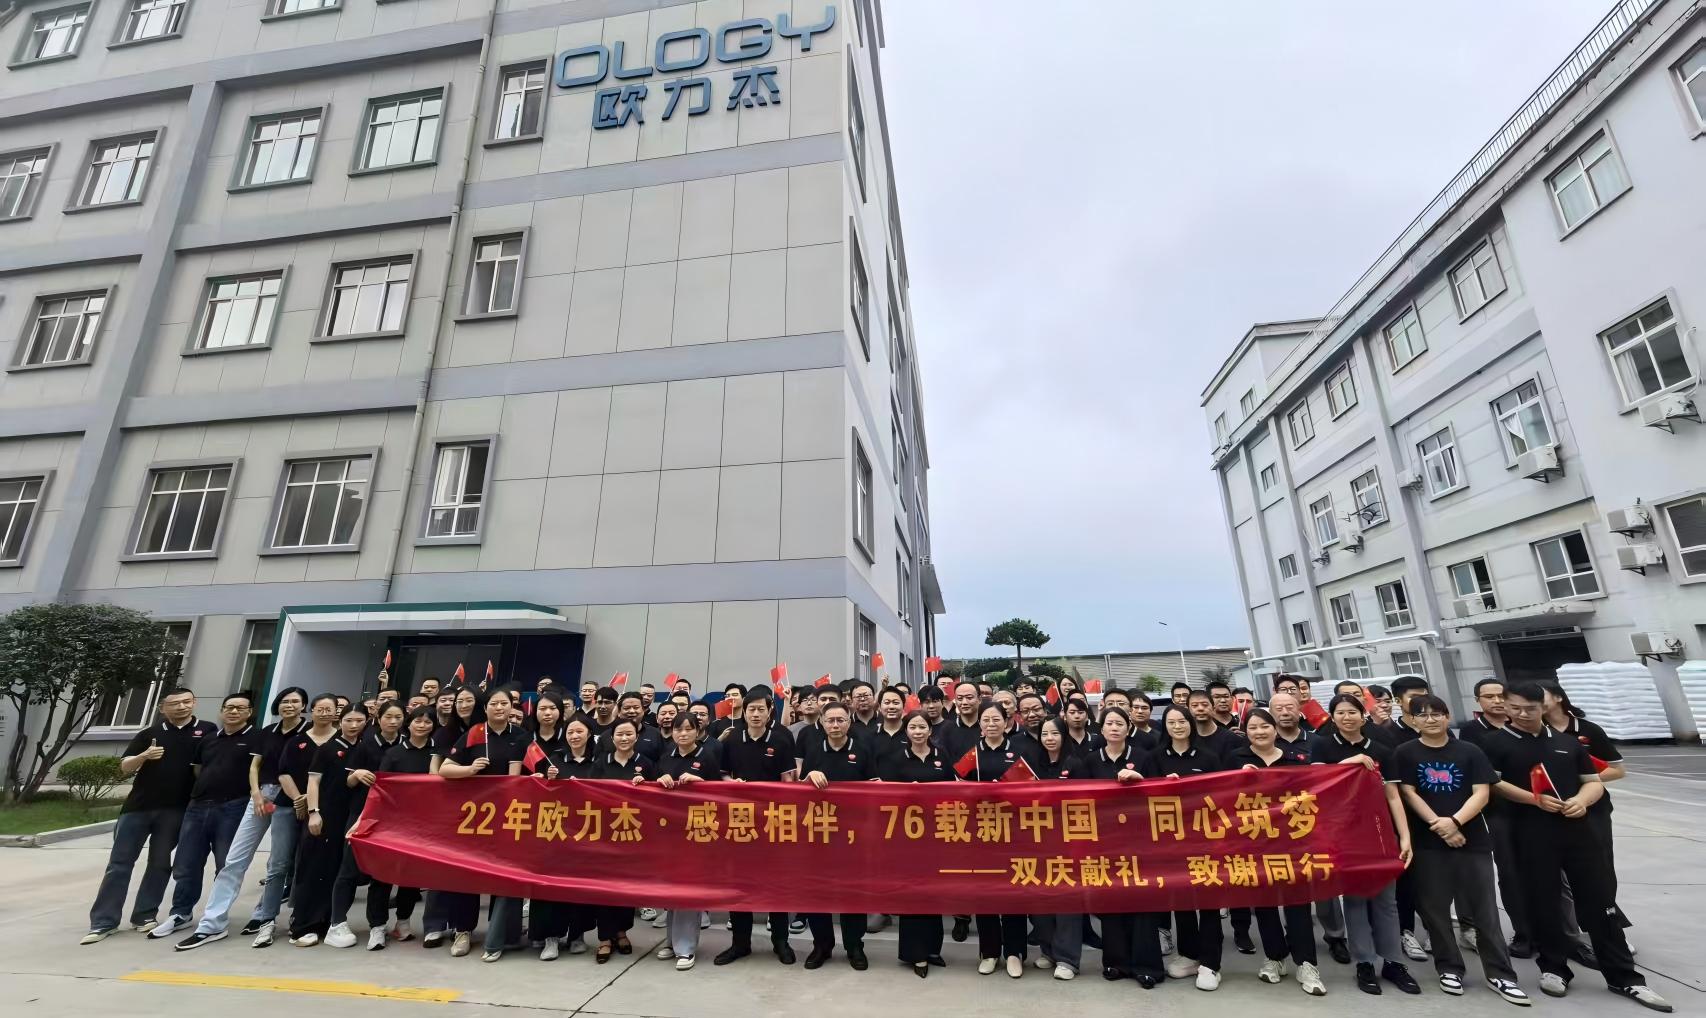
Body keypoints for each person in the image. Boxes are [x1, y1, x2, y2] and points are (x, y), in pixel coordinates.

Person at [1483, 684, 1666, 1012]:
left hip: (1579, 833)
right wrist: (1534, 800)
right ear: (1506, 707)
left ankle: (1624, 976)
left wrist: (1581, 801)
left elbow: (1593, 783)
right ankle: (1554, 968)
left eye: (1530, 708)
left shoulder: (1567, 743)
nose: (1522, 714)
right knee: (1544, 902)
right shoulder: (1495, 744)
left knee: (1600, 902)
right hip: (1529, 834)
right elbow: (1493, 784)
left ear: (1543, 706)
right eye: (1515, 708)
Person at [1390, 694, 1528, 1005]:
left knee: (1485, 910)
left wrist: (1454, 822)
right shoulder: (1405, 752)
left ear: (1447, 716)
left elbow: (1482, 792)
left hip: (1472, 840)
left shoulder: (1469, 751)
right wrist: (1438, 825)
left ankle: (1500, 974)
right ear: (1413, 720)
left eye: (1436, 713)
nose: (1430, 719)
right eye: (1422, 715)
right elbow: (1408, 793)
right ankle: (1449, 967)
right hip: (1428, 843)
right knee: (1435, 909)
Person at [175, 686, 310, 950]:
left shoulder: (308, 732)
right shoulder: (267, 732)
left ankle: (262, 915)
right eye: (285, 701)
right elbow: (255, 766)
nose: (289, 705)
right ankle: (211, 924)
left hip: (289, 800)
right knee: (234, 860)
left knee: (278, 864)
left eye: (295, 701)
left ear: (303, 706)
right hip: (262, 797)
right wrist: (256, 794)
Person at [83, 688, 214, 944]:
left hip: (176, 810)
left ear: (194, 703)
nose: (181, 707)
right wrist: (144, 756)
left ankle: (144, 915)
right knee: (119, 864)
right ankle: (104, 922)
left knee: (160, 863)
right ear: (162, 708)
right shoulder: (150, 734)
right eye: (174, 703)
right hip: (138, 808)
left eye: (186, 702)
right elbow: (124, 767)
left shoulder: (207, 730)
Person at [1311, 694, 1421, 996]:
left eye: (1352, 712)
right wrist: (1351, 762)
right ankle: (1365, 963)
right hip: (1344, 835)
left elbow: (1393, 796)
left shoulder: (1383, 749)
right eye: (1340, 712)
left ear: (1363, 716)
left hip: (1380, 833)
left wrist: (1405, 837)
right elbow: (1317, 784)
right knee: (1356, 900)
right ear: (1332, 717)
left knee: (1387, 901)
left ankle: (1393, 962)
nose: (1347, 717)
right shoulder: (1322, 746)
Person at [1231, 708, 1325, 996]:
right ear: (1245, 732)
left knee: (1298, 903)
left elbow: (1315, 792)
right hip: (1253, 842)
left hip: (1292, 843)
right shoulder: (1235, 760)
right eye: (1253, 728)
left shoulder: (1295, 760)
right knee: (1264, 904)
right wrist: (1238, 780)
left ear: (1275, 729)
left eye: (1264, 726)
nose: (1259, 732)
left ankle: (1306, 963)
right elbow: (1221, 798)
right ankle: (1274, 957)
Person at [149, 691, 256, 941]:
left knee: (226, 865)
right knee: (186, 863)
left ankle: (215, 918)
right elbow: (198, 769)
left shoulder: (256, 738)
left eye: (240, 708)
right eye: (229, 707)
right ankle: (181, 913)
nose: (234, 711)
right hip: (198, 807)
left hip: (233, 807)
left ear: (249, 713)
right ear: (221, 711)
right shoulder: (209, 739)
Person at [436, 687, 527, 959]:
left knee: (506, 875)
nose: (499, 708)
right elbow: (444, 769)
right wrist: (470, 769)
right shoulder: (474, 733)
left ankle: (505, 934)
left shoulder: (521, 736)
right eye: (494, 704)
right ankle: (462, 931)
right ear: (485, 708)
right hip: (474, 817)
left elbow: (526, 773)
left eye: (504, 703)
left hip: (509, 815)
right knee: (468, 874)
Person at [714, 687, 798, 966]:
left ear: (770, 711)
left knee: (776, 883)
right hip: (741, 820)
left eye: (762, 709)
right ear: (744, 712)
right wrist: (732, 784)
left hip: (773, 820)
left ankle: (780, 941)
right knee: (740, 883)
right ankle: (740, 943)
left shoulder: (781, 740)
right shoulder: (732, 739)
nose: (756, 714)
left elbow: (789, 781)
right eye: (752, 709)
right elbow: (721, 774)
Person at [1147, 704, 1227, 990]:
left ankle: (1211, 963)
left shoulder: (1208, 757)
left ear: (1191, 724)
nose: (1177, 726)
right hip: (1170, 841)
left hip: (1204, 839)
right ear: (1165, 727)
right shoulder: (1155, 758)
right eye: (1171, 722)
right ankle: (1190, 954)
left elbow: (1222, 795)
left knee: (1208, 902)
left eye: (1182, 721)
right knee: (1181, 901)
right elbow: (1144, 796)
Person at [1085, 706, 1162, 987]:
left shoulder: (1144, 757)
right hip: (1105, 841)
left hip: (1139, 840)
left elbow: (1160, 794)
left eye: (1120, 723)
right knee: (1112, 900)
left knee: (1142, 902)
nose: (1114, 728)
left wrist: (1141, 782)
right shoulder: (1091, 760)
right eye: (1109, 723)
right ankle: (1115, 962)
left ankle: (1147, 966)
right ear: (1102, 729)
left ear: (1129, 728)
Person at [798, 701, 877, 970]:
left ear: (848, 722)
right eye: (830, 720)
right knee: (817, 890)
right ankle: (822, 945)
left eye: (840, 720)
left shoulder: (862, 750)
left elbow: (875, 788)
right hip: (819, 832)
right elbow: (799, 791)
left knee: (852, 892)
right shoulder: (813, 751)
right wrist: (809, 775)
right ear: (821, 722)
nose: (835, 725)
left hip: (853, 835)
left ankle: (855, 946)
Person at [961, 700, 1037, 978]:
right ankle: (989, 952)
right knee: (985, 892)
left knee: (1013, 891)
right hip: (982, 832)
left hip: (1013, 831)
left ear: (1007, 723)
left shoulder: (1019, 751)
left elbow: (1033, 789)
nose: (991, 724)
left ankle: (1015, 952)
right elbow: (955, 787)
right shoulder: (972, 754)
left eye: (996, 719)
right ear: (979, 725)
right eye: (986, 720)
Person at [879, 711, 953, 978]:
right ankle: (916, 953)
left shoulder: (941, 755)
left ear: (930, 730)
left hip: (937, 832)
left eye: (922, 727)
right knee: (913, 892)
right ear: (906, 731)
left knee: (934, 891)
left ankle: (933, 949)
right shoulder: (895, 758)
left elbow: (952, 788)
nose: (918, 731)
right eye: (913, 727)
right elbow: (885, 794)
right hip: (907, 835)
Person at [324, 700, 404, 949]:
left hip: (393, 818)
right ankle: (337, 923)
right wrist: (356, 775)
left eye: (398, 717)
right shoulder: (364, 744)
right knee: (348, 869)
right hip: (361, 813)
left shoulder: (405, 745)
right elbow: (347, 783)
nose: (393, 721)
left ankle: (377, 926)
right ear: (378, 719)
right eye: (388, 716)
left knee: (382, 874)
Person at [288, 704, 368, 947]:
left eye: (359, 720)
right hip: (325, 815)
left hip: (349, 817)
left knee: (336, 870)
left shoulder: (365, 749)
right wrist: (314, 812)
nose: (354, 725)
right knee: (313, 869)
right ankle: (302, 926)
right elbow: (313, 782)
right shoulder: (328, 748)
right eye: (349, 720)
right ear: (339, 721)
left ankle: (326, 922)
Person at [651, 713, 721, 970]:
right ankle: (671, 942)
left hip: (697, 831)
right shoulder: (666, 757)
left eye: (688, 729)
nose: (683, 734)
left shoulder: (707, 756)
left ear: (697, 731)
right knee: (671, 890)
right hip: (670, 832)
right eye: (678, 729)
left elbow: (720, 794)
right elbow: (654, 790)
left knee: (688, 891)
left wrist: (701, 783)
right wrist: (659, 781)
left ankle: (686, 948)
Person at [363, 704, 434, 950]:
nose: (422, 725)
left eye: (427, 721)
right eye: (417, 721)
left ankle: (403, 921)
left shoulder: (437, 754)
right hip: (391, 822)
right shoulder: (394, 753)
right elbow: (382, 787)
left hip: (423, 824)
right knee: (381, 876)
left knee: (411, 876)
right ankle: (377, 927)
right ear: (409, 723)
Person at [1027, 717, 1087, 981]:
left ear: (1064, 736)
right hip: (1038, 840)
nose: (1049, 738)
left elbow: (1085, 800)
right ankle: (1048, 950)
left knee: (1066, 901)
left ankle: (1068, 959)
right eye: (1044, 734)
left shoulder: (1075, 764)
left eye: (1054, 733)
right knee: (1040, 899)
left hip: (1068, 840)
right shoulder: (1032, 764)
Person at [591, 719, 652, 962]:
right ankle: (605, 938)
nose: (624, 738)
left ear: (636, 737)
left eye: (629, 734)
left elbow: (657, 798)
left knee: (626, 886)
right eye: (619, 734)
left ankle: (622, 932)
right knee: (605, 887)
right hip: (605, 834)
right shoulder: (601, 763)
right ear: (611, 737)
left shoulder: (646, 763)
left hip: (633, 834)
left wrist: (645, 786)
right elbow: (589, 794)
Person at [869, 687, 909, 759]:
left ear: (903, 706)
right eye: (887, 703)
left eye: (896, 703)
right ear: (880, 707)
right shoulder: (871, 736)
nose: (891, 707)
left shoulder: (911, 734)